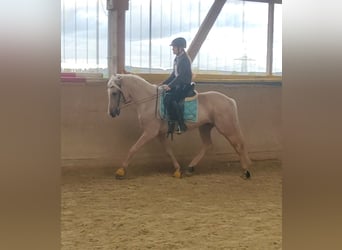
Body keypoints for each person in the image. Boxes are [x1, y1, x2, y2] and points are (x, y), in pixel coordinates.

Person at [161, 37, 193, 136]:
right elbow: (173, 75)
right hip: (178, 85)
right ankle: (171, 121)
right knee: (165, 95)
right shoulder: (177, 58)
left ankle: (181, 124)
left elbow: (181, 76)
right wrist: (163, 83)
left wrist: (170, 86)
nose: (172, 49)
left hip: (184, 85)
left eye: (174, 47)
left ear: (180, 48)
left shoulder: (184, 60)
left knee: (170, 98)